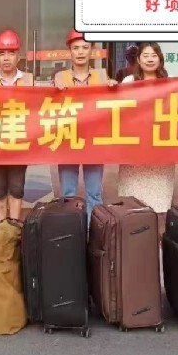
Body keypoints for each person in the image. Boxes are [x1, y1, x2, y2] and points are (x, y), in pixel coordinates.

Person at [54, 30, 118, 221]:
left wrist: (115, 89)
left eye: (85, 47)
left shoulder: (102, 76)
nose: (80, 52)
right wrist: (53, 90)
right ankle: (72, 230)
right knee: (68, 194)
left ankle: (94, 230)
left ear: (92, 50)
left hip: (93, 141)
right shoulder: (60, 77)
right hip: (68, 140)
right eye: (76, 48)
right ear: (69, 51)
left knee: (94, 193)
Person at [118, 43, 175, 232]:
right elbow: (117, 109)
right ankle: (134, 240)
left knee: (159, 206)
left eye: (154, 55)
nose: (150, 59)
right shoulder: (128, 82)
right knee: (133, 204)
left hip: (160, 152)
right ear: (138, 60)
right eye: (145, 55)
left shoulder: (170, 83)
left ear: (160, 59)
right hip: (134, 151)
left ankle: (157, 242)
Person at [0, 30, 34, 222]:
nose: (6, 58)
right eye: (2, 53)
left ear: (18, 56)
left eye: (11, 53)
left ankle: (14, 226)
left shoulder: (29, 80)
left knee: (16, 187)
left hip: (19, 141)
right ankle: (1, 225)